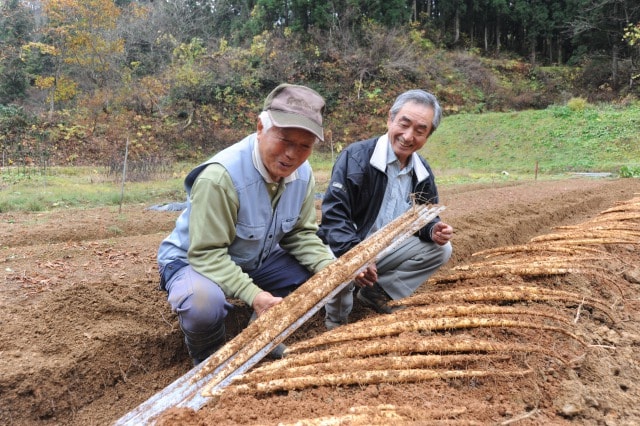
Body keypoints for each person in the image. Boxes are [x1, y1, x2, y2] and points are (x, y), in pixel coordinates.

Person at [157, 84, 335, 365]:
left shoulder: (302, 174)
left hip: (253, 258)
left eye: (305, 146)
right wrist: (254, 295)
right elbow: (206, 254)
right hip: (193, 261)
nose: (292, 154)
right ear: (261, 127)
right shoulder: (220, 178)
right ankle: (210, 356)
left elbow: (300, 235)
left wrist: (333, 269)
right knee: (202, 304)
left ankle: (261, 332)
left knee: (318, 271)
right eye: (285, 139)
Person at [317, 89, 453, 330]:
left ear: (428, 135)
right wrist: (356, 256)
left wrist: (433, 229)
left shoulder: (421, 170)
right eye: (404, 124)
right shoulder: (356, 157)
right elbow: (335, 216)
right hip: (349, 245)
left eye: (420, 130)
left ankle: (377, 292)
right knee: (342, 270)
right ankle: (335, 324)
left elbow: (424, 214)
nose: (408, 136)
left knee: (441, 250)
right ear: (390, 119)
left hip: (385, 251)